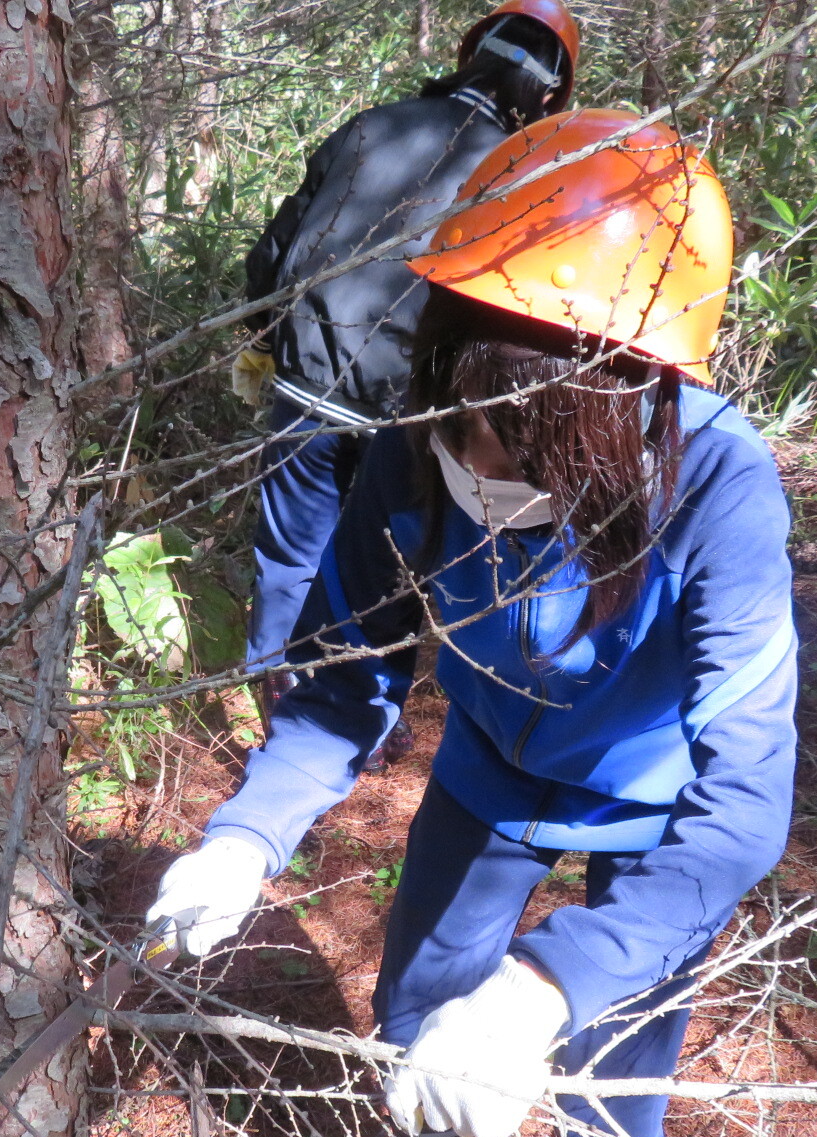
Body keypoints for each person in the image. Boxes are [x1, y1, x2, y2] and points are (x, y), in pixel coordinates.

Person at [151, 110, 797, 1137]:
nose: (482, 452)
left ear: (620, 401)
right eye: (464, 405)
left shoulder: (719, 483)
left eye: (525, 432)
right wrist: (248, 835)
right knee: (426, 1000)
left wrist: (548, 991)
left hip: (651, 807)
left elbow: (744, 808)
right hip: (491, 769)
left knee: (618, 1091)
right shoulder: (415, 448)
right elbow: (342, 683)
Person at [237, 0, 580, 726]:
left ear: (468, 54)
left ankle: (279, 705)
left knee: (290, 557)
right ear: (549, 96)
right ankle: (356, 714)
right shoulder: (514, 172)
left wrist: (265, 340)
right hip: (417, 410)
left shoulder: (372, 126)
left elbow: (275, 250)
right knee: (389, 567)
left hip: (310, 384)